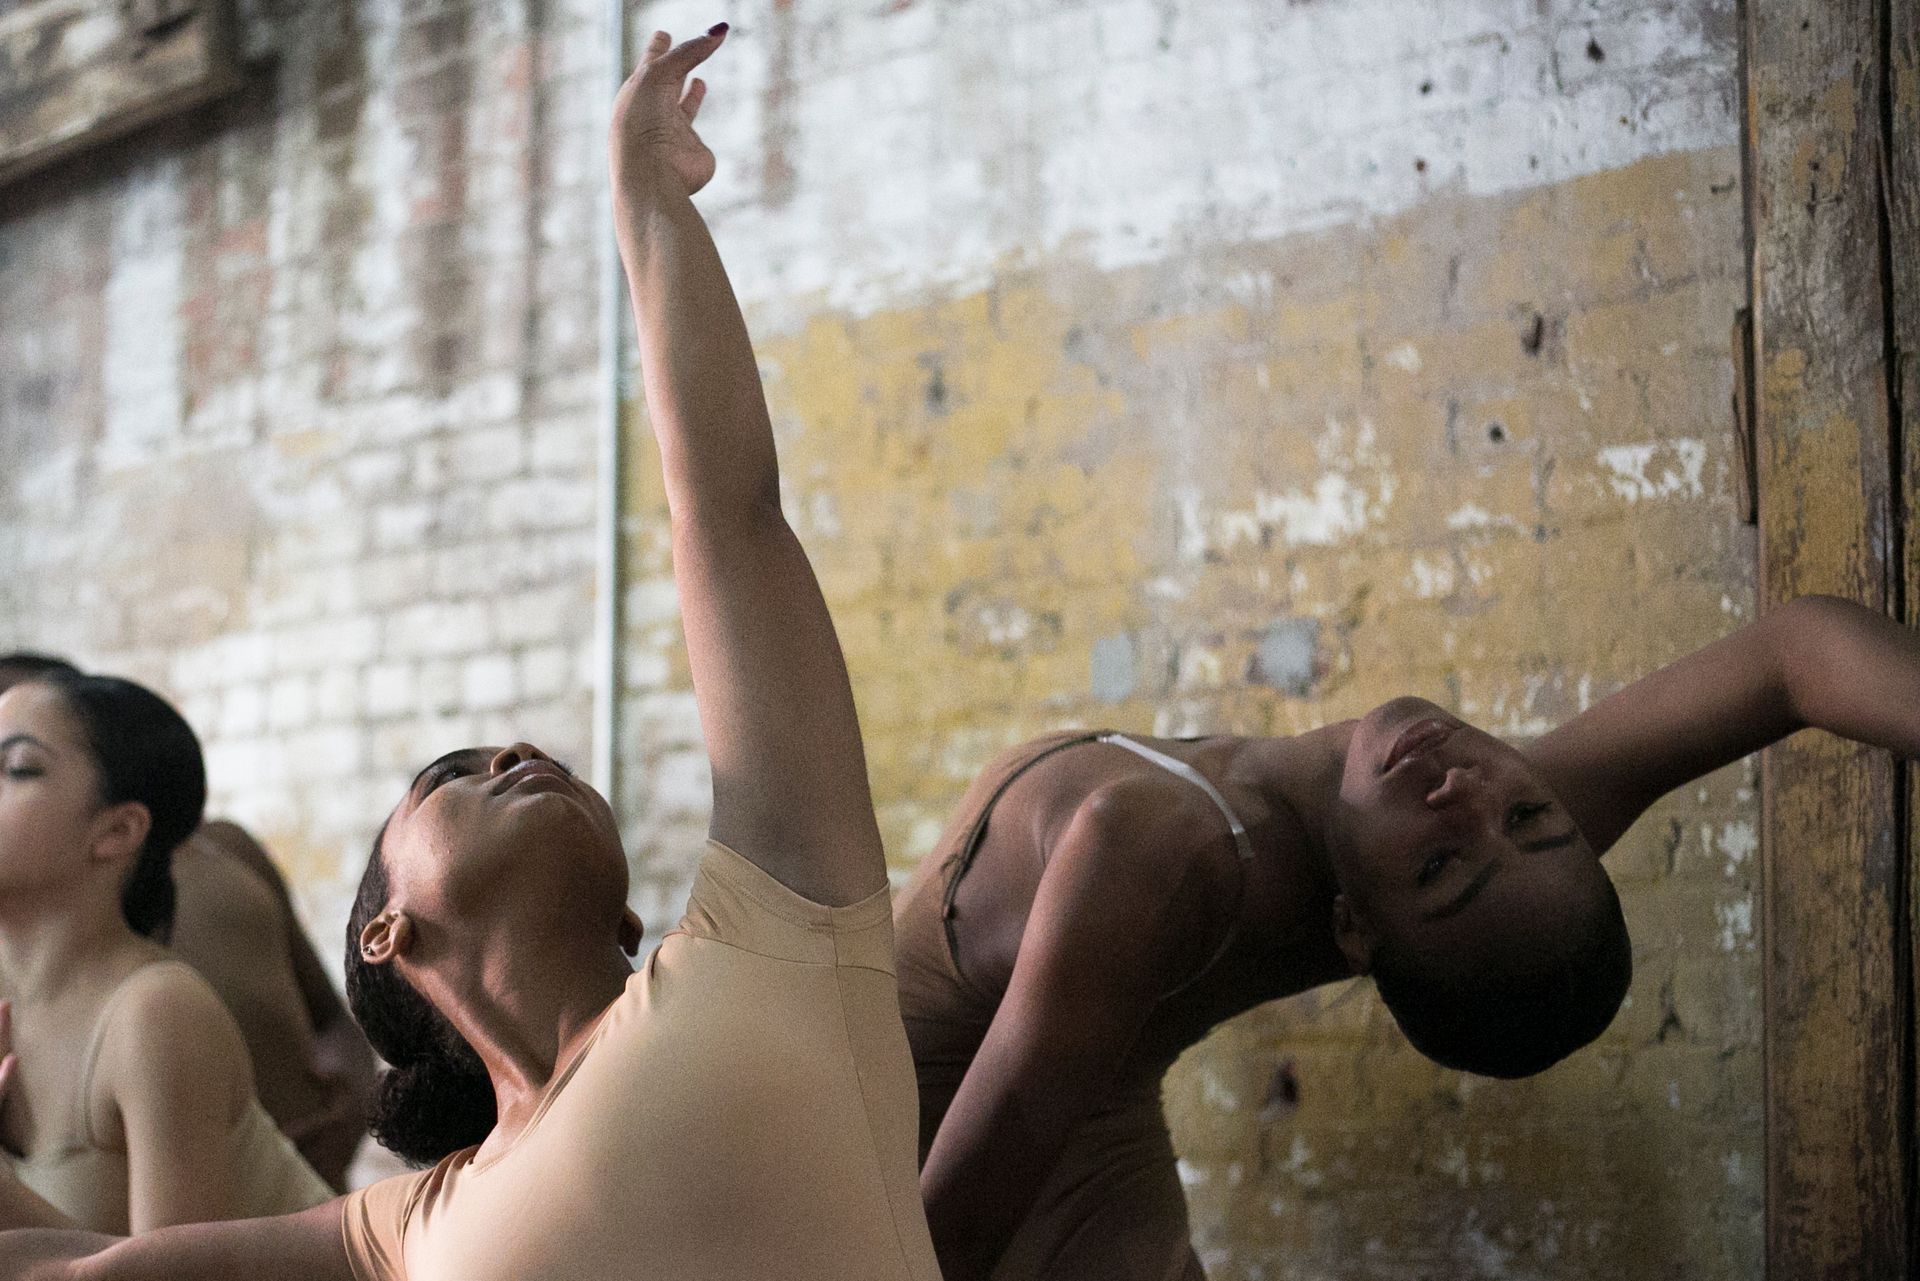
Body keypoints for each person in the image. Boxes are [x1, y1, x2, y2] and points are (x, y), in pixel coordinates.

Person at [0, 25, 942, 1280]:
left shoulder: (775, 943)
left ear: (624, 907)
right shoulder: (414, 1221)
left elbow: (730, 511)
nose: (511, 752)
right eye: (452, 773)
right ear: (387, 933)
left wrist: (644, 201)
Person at [896, 593, 1920, 1280]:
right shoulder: (1500, 836)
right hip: (1076, 1073)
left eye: (1438, 867)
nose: (1464, 794)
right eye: (1530, 817)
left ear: (1353, 927)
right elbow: (1797, 661)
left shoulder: (1160, 851)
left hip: (913, 1104)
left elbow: (940, 1230)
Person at [0, 655, 377, 1192]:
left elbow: (176, 1264)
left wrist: (357, 1100)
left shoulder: (157, 1010)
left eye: (18, 767)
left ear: (118, 828)